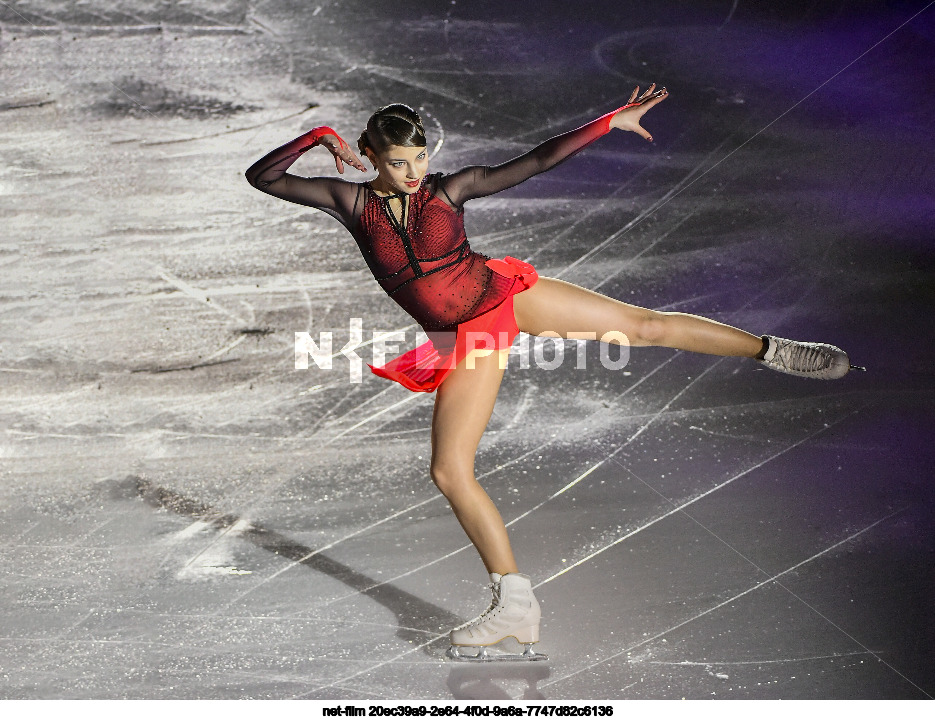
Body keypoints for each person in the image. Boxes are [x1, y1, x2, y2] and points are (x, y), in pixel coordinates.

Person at [245, 85, 854, 661]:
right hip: (464, 338)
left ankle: (774, 351)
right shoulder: (349, 202)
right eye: (400, 161)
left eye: (421, 157)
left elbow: (534, 162)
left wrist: (608, 122)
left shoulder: (449, 192)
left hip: (503, 294)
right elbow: (262, 177)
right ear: (371, 155)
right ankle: (514, 604)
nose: (413, 172)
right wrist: (318, 135)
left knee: (641, 326)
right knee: (450, 471)